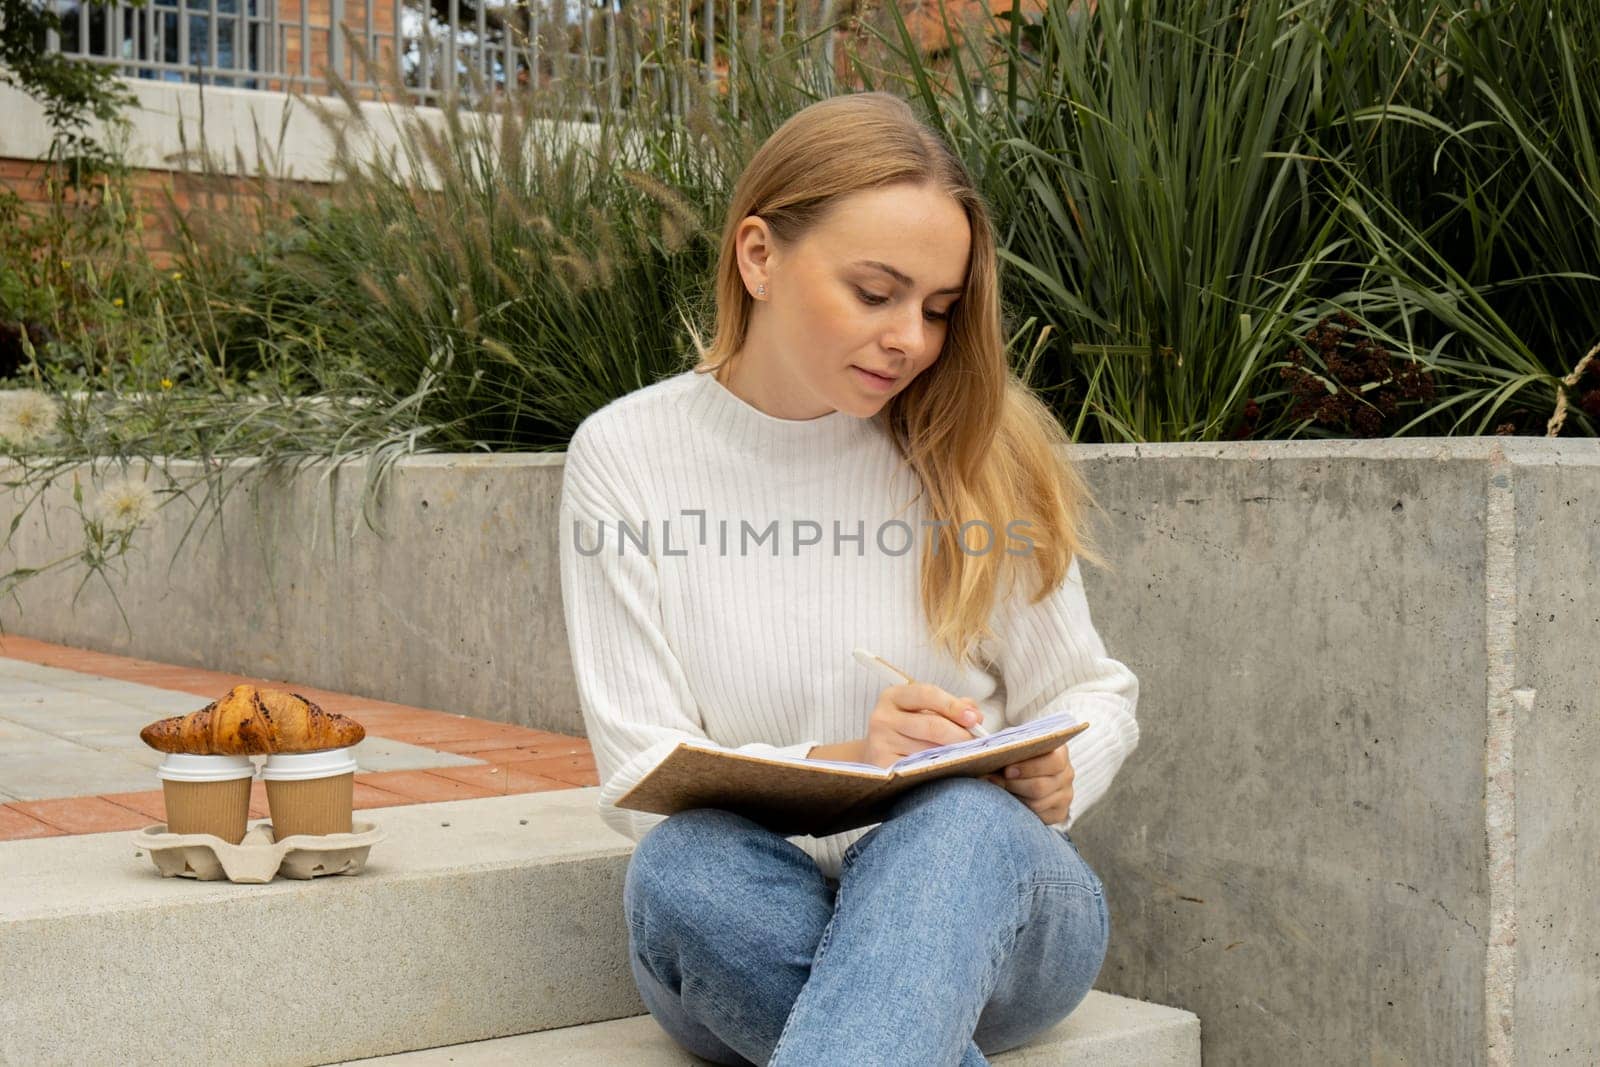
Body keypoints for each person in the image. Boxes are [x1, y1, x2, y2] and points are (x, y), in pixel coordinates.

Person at [557, 91, 1140, 1067]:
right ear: (758, 257)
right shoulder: (625, 455)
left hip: (987, 921)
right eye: (877, 293)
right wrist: (854, 758)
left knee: (956, 818)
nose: (911, 338)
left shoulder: (971, 450)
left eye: (939, 309)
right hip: (746, 925)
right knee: (681, 866)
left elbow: (1092, 689)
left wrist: (1055, 765)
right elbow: (637, 771)